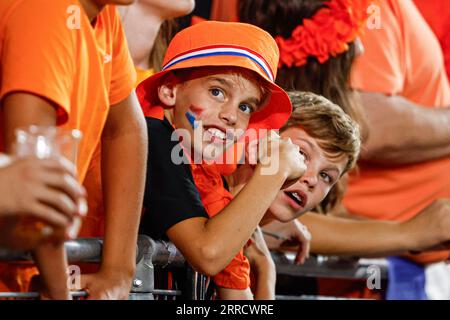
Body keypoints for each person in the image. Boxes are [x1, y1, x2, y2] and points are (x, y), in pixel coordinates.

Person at [239, 0, 450, 299]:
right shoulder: (256, 137)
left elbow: (300, 219)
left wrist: (416, 234)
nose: (363, 50)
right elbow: (252, 214)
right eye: (353, 40)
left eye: (326, 176)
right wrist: (410, 233)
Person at [136, 21, 306, 300]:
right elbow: (208, 253)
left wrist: (265, 266)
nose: (232, 116)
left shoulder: (201, 170)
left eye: (245, 106)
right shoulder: (153, 137)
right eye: (217, 92)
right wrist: (275, 169)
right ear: (169, 91)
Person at [0, 0, 148, 299]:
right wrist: (59, 291)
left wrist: (120, 268)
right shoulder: (45, 8)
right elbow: (36, 182)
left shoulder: (104, 16)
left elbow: (127, 129)